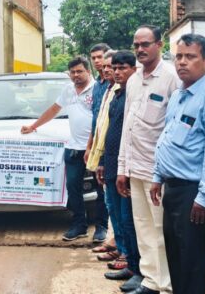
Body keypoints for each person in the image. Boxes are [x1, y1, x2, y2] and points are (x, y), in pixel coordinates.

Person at [150, 33, 205, 294]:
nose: (182, 62)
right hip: (173, 190)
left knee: (192, 263)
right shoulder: (178, 96)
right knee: (176, 259)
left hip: (194, 194)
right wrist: (158, 176)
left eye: (190, 57)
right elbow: (167, 138)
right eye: (179, 56)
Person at [117, 26, 179, 294]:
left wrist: (163, 172)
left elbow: (175, 128)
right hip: (135, 167)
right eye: (136, 45)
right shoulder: (133, 79)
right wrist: (122, 168)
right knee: (143, 228)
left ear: (159, 45)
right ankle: (151, 281)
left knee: (161, 229)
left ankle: (165, 286)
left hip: (158, 171)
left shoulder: (171, 78)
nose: (140, 49)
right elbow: (127, 128)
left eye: (146, 44)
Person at [21, 56, 94, 241]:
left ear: (88, 71)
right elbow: (54, 109)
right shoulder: (68, 89)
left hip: (94, 148)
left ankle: (101, 227)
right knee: (72, 186)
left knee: (100, 191)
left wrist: (91, 145)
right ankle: (79, 225)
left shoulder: (98, 88)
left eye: (80, 71)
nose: (76, 75)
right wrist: (34, 126)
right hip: (74, 147)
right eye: (73, 72)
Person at [97, 51, 141, 283]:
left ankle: (135, 265)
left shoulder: (134, 95)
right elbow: (108, 131)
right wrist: (103, 161)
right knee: (118, 214)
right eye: (114, 68)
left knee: (129, 219)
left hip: (129, 166)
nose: (116, 72)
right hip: (113, 163)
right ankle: (128, 259)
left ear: (134, 69)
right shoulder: (117, 94)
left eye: (122, 68)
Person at [87, 51, 121, 261]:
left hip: (115, 157)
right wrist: (91, 147)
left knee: (118, 207)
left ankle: (123, 250)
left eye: (113, 66)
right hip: (102, 152)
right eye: (108, 67)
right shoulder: (103, 87)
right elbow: (98, 121)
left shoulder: (120, 90)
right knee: (111, 204)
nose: (109, 70)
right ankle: (114, 242)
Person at [86, 43, 111, 243]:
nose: (97, 61)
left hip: (112, 145)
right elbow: (95, 120)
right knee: (99, 186)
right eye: (93, 58)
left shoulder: (117, 84)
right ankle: (101, 227)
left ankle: (105, 228)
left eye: (99, 57)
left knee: (109, 190)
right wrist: (89, 146)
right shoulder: (97, 85)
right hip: (97, 143)